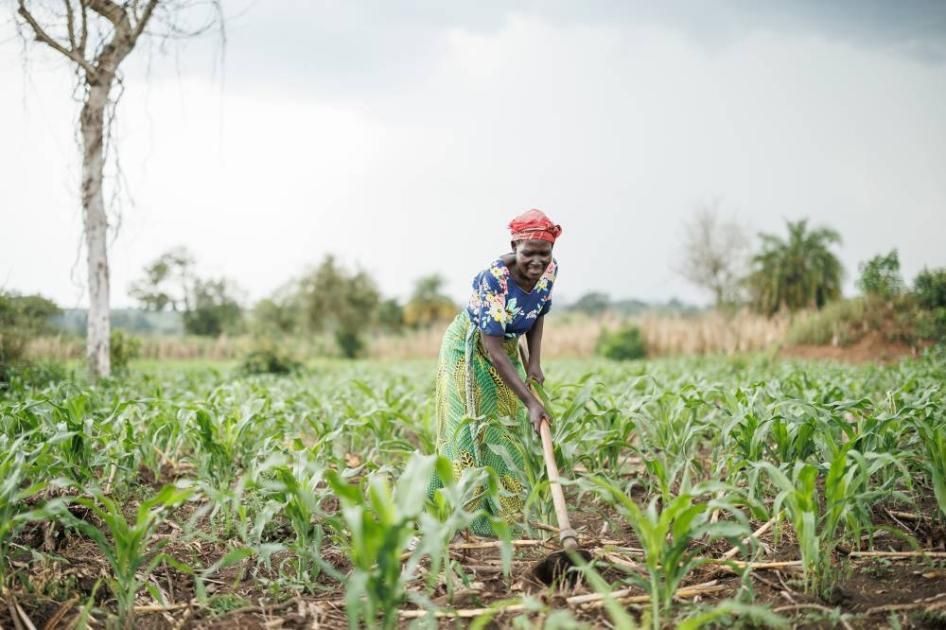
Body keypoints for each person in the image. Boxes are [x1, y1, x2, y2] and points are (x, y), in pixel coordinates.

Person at [429, 208, 562, 536]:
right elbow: (492, 350)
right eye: (528, 252)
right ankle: (468, 516)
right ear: (514, 245)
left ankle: (505, 513)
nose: (536, 261)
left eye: (543, 253)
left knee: (505, 424)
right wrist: (532, 401)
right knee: (474, 423)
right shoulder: (493, 279)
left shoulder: (549, 270)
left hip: (507, 344)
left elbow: (537, 311)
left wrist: (534, 362)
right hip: (471, 348)